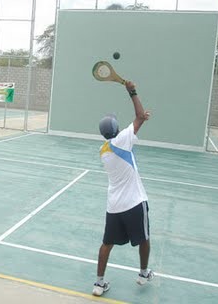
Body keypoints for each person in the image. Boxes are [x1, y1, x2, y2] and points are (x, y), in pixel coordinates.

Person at [92, 81, 153, 296]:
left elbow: (138, 119)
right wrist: (132, 91)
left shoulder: (104, 149)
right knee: (144, 239)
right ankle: (143, 273)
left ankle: (99, 283)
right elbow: (137, 116)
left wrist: (140, 119)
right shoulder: (122, 140)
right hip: (135, 201)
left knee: (107, 243)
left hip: (114, 205)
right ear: (117, 129)